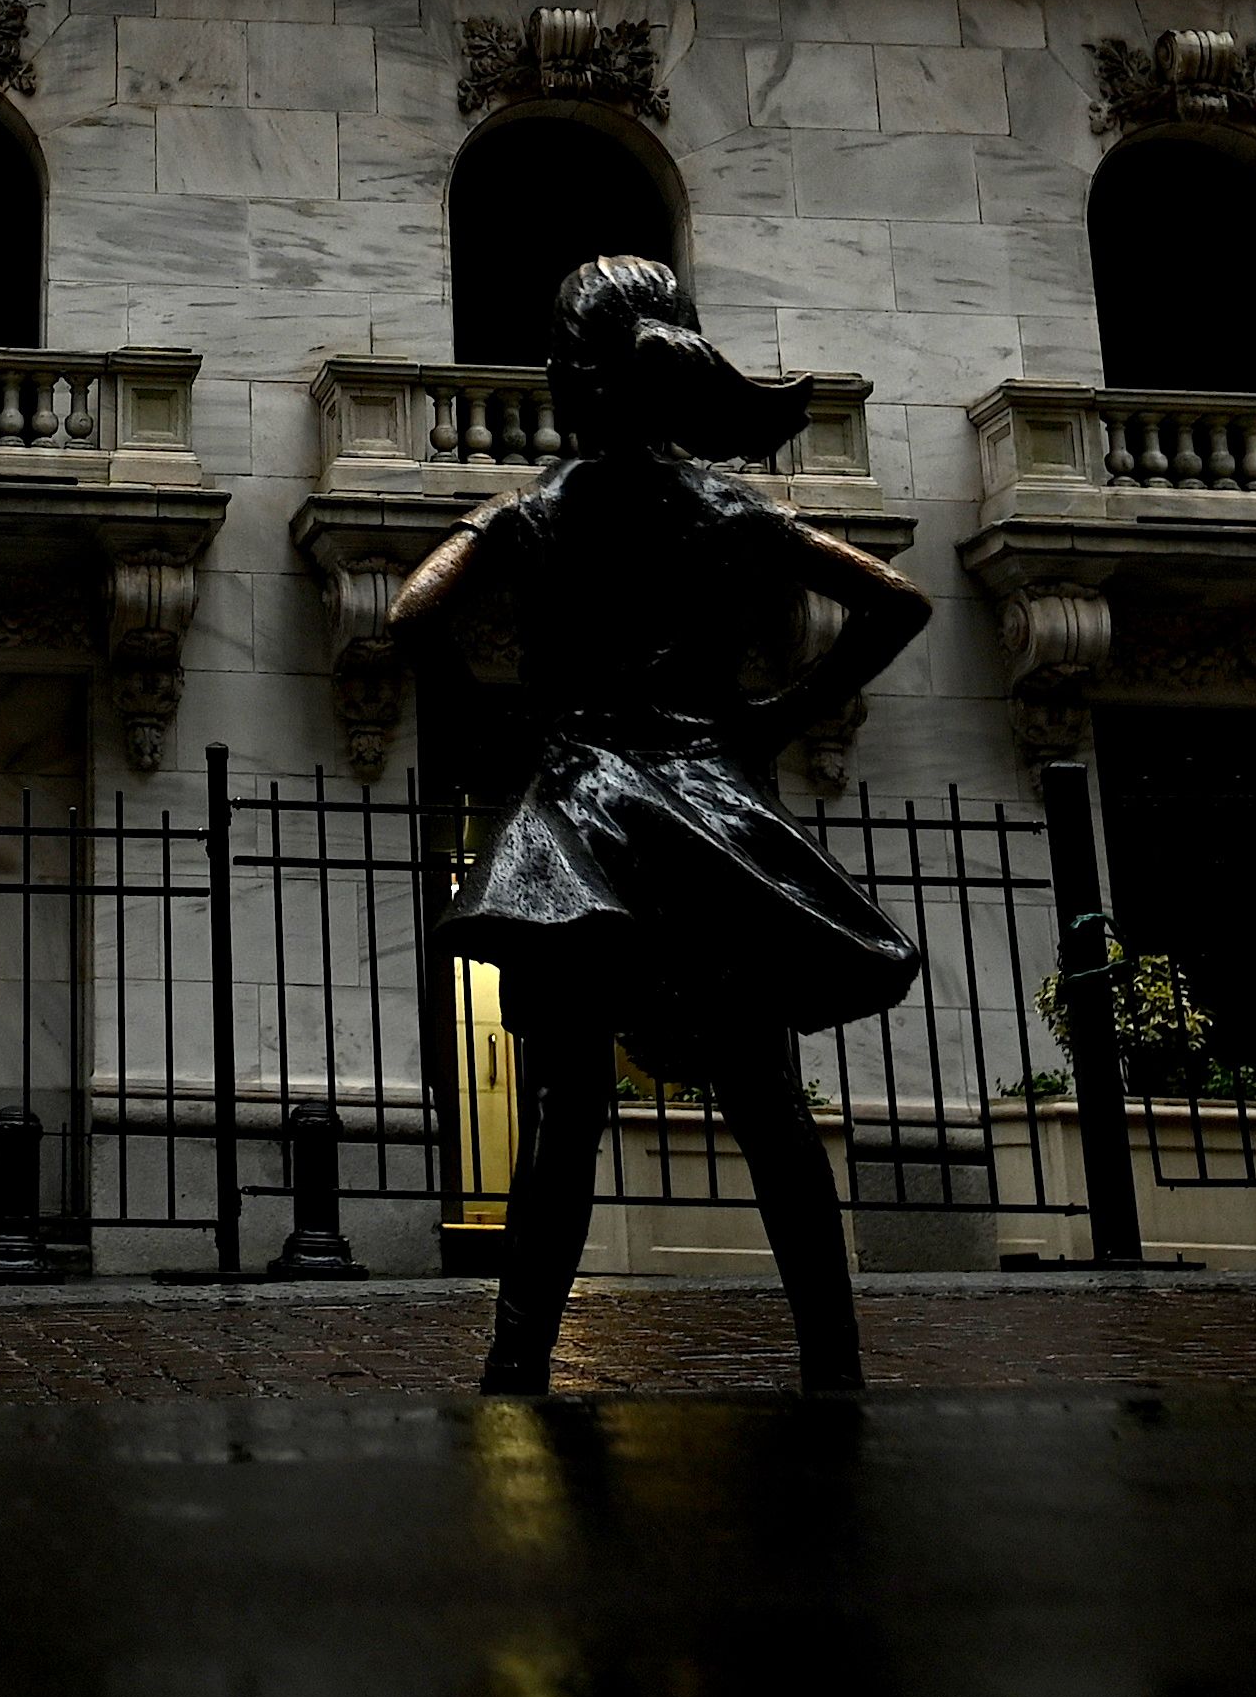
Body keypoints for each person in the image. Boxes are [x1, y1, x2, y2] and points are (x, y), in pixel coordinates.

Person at [396, 256, 934, 1399]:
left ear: (568, 375)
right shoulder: (728, 508)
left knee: (561, 1115)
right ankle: (832, 1360)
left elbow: (413, 613)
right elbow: (897, 601)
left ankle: (519, 1358)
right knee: (766, 1099)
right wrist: (783, 716)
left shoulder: (534, 512)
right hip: (704, 812)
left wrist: (502, 728)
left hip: (583, 819)